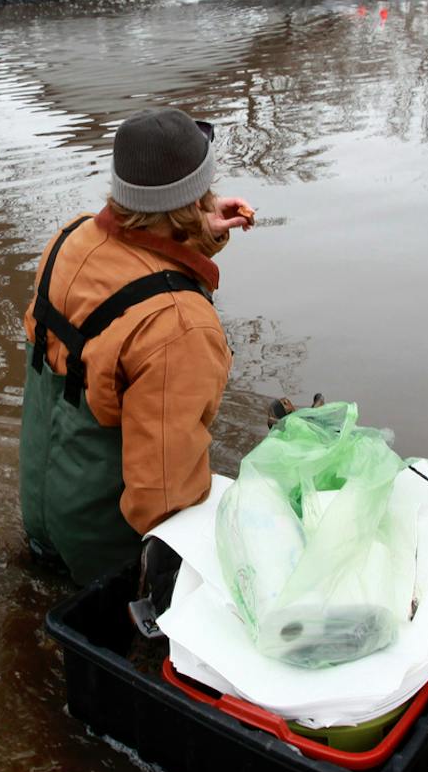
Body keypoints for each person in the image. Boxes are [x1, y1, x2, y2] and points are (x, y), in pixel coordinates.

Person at [20, 108, 254, 584]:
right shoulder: (181, 324)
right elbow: (162, 496)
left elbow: (131, 270)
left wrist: (197, 235)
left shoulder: (71, 238)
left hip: (43, 513)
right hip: (106, 552)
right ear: (194, 194)